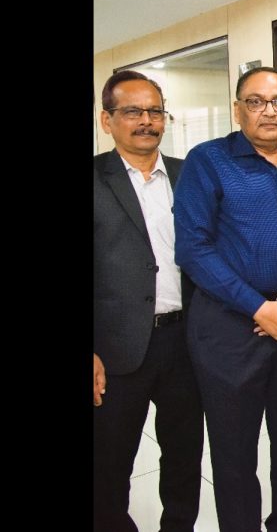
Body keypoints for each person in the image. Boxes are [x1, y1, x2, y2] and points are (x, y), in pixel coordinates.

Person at [174, 65, 277, 531]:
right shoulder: (207, 161)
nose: (269, 111)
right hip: (231, 330)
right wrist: (259, 307)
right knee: (234, 452)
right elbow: (193, 248)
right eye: (256, 101)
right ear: (238, 109)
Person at [94, 71, 203, 532]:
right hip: (116, 350)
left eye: (155, 111)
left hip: (187, 343)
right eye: (132, 111)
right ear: (107, 120)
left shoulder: (189, 175)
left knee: (183, 457)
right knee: (108, 464)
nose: (146, 121)